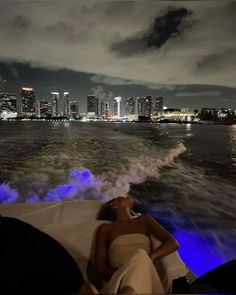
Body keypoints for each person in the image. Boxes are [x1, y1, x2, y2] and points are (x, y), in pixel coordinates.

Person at [94, 196, 179, 294]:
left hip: (146, 270)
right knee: (141, 255)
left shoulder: (144, 220)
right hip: (118, 278)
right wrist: (126, 272)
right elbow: (100, 268)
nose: (126, 196)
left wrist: (152, 256)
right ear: (114, 205)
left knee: (141, 255)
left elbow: (173, 243)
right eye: (121, 197)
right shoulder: (106, 228)